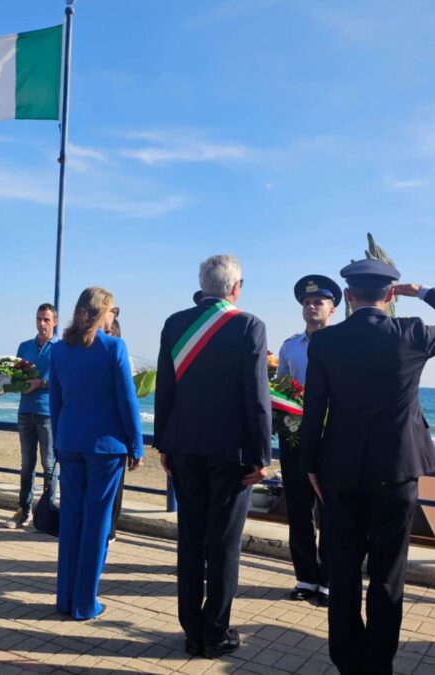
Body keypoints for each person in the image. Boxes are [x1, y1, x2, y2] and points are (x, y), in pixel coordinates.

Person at [301, 259, 435, 675]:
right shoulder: (413, 332)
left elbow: (314, 412)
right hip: (398, 472)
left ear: (347, 297)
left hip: (340, 471)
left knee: (343, 570)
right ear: (388, 295)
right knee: (388, 572)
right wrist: (421, 292)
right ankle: (378, 664)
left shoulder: (325, 342)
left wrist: (311, 466)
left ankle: (347, 661)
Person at [154, 254, 271, 658]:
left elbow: (165, 389)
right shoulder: (248, 325)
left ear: (203, 285)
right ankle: (215, 632)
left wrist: (164, 443)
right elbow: (257, 396)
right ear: (236, 287)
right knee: (223, 545)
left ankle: (191, 630)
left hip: (184, 447)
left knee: (190, 539)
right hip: (231, 454)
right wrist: (262, 454)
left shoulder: (174, 323)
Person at [50, 287, 143, 621]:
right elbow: (127, 401)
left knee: (71, 520)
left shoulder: (59, 350)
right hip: (105, 447)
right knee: (97, 524)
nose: (113, 316)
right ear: (104, 312)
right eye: (113, 311)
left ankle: (64, 598)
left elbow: (56, 403)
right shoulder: (114, 347)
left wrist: (59, 440)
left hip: (70, 441)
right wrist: (136, 444)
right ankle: (85, 602)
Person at [276, 275, 341, 606]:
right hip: (296, 439)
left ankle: (329, 579)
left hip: (333, 440)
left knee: (332, 510)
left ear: (332, 308)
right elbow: (281, 389)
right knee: (299, 509)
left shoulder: (346, 343)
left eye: (318, 302)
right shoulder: (290, 347)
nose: (311, 306)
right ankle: (305, 577)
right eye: (306, 302)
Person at [5, 303, 59, 529]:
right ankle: (23, 510)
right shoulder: (24, 346)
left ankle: (48, 512)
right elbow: (15, 377)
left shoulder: (61, 348)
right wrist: (11, 384)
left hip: (48, 413)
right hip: (25, 412)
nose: (42, 323)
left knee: (49, 465)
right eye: (39, 319)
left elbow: (63, 381)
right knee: (27, 464)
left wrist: (41, 383)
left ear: (55, 322)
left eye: (46, 320)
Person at [102, 311, 125, 543]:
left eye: (109, 332)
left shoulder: (120, 353)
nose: (105, 335)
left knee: (116, 485)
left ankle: (111, 528)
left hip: (116, 432)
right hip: (99, 432)